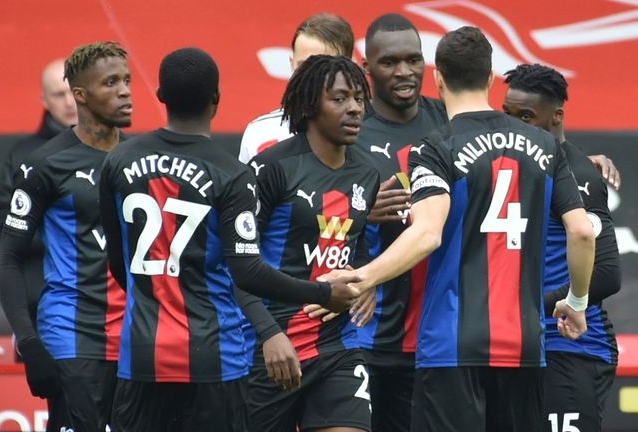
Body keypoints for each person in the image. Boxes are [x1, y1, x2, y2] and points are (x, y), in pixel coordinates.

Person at [332, 27, 596, 432]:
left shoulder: (434, 147)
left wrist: (361, 277)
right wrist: (577, 302)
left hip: (450, 346)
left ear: (438, 79)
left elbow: (427, 233)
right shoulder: (545, 146)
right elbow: (581, 231)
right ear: (491, 78)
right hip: (525, 346)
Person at [97, 47, 360, 432]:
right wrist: (322, 294)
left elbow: (118, 263)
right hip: (215, 357)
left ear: (160, 96)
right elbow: (248, 271)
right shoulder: (232, 175)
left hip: (141, 356)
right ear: (217, 99)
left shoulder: (118, 161)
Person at [0, 41, 132, 432]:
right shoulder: (44, 164)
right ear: (80, 95)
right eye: (111, 82)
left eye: (127, 80)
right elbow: (8, 258)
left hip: (136, 339)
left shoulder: (141, 159)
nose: (125, 90)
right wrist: (29, 341)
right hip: (73, 336)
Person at [240, 54, 378, 432]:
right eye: (339, 99)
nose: (353, 109)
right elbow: (235, 262)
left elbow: (357, 243)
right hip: (270, 347)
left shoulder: (367, 173)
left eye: (358, 99)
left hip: (339, 346)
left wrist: (366, 281)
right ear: (309, 105)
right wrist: (268, 334)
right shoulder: (271, 169)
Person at [503, 63, 621, 432]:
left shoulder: (580, 175)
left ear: (556, 116)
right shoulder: (502, 166)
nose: (513, 127)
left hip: (568, 346)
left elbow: (605, 274)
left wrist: (530, 307)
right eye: (507, 115)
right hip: (511, 346)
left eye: (525, 117)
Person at [353, 13, 448, 432]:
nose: (405, 72)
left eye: (414, 60)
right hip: (368, 334)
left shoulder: (450, 122)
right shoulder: (348, 129)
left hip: (441, 334)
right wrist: (359, 211)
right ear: (366, 68)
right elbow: (311, 208)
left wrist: (575, 164)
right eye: (390, 62)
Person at [0, 58, 78, 325]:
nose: (70, 102)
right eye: (59, 94)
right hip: (42, 297)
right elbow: (1, 222)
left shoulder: (115, 150)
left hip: (106, 299)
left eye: (74, 91)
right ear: (44, 100)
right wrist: (66, 233)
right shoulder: (24, 155)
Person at [238, 13, 354, 163]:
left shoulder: (365, 133)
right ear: (292, 64)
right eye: (304, 66)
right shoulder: (260, 132)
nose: (312, 76)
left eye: (324, 67)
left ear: (350, 68)